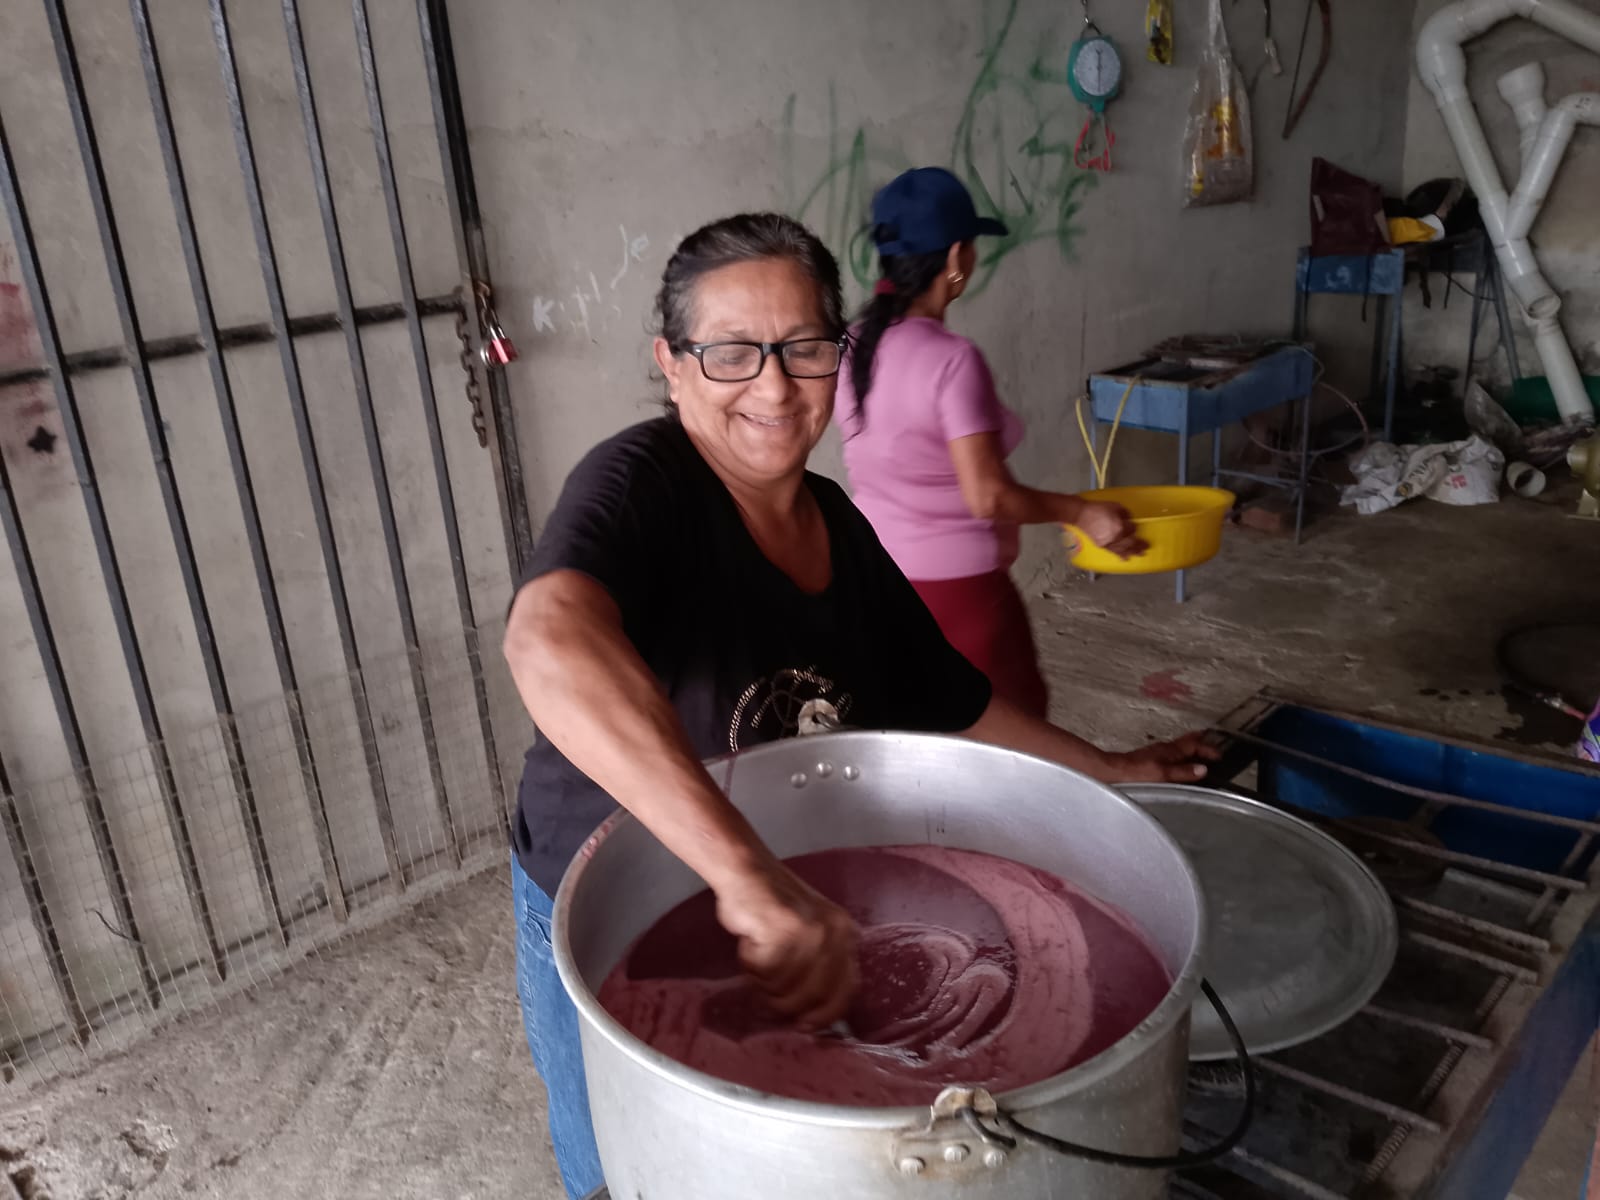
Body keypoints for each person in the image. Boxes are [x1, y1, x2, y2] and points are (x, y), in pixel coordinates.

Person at [501, 211, 1215, 1198]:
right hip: (613, 901)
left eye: (803, 347)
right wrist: (746, 877)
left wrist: (1107, 769)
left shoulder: (837, 524)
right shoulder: (640, 485)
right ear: (670, 364)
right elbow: (549, 642)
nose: (773, 386)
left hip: (784, 896)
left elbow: (951, 703)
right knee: (625, 1163)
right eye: (730, 353)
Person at [835, 166, 1144, 719]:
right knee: (1012, 734)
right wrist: (1079, 512)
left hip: (876, 585)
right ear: (957, 257)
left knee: (917, 734)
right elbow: (989, 496)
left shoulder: (851, 345)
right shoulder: (952, 360)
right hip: (959, 596)